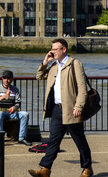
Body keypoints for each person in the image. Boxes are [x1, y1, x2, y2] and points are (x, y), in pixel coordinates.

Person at [28, 39, 93, 177]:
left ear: (64, 49)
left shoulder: (74, 64)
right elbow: (39, 76)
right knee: (53, 141)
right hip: (57, 110)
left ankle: (87, 168)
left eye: (55, 49)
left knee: (80, 140)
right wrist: (45, 63)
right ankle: (45, 169)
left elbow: (82, 88)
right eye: (52, 49)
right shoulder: (54, 65)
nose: (52, 52)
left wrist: (79, 106)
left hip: (71, 109)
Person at [0, 70, 31, 146]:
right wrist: (2, 97)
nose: (6, 80)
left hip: (12, 112)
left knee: (25, 114)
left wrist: (15, 107)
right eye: (5, 78)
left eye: (8, 78)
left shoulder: (15, 89)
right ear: (2, 79)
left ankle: (21, 138)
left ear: (12, 80)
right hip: (0, 111)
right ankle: (0, 138)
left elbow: (18, 103)